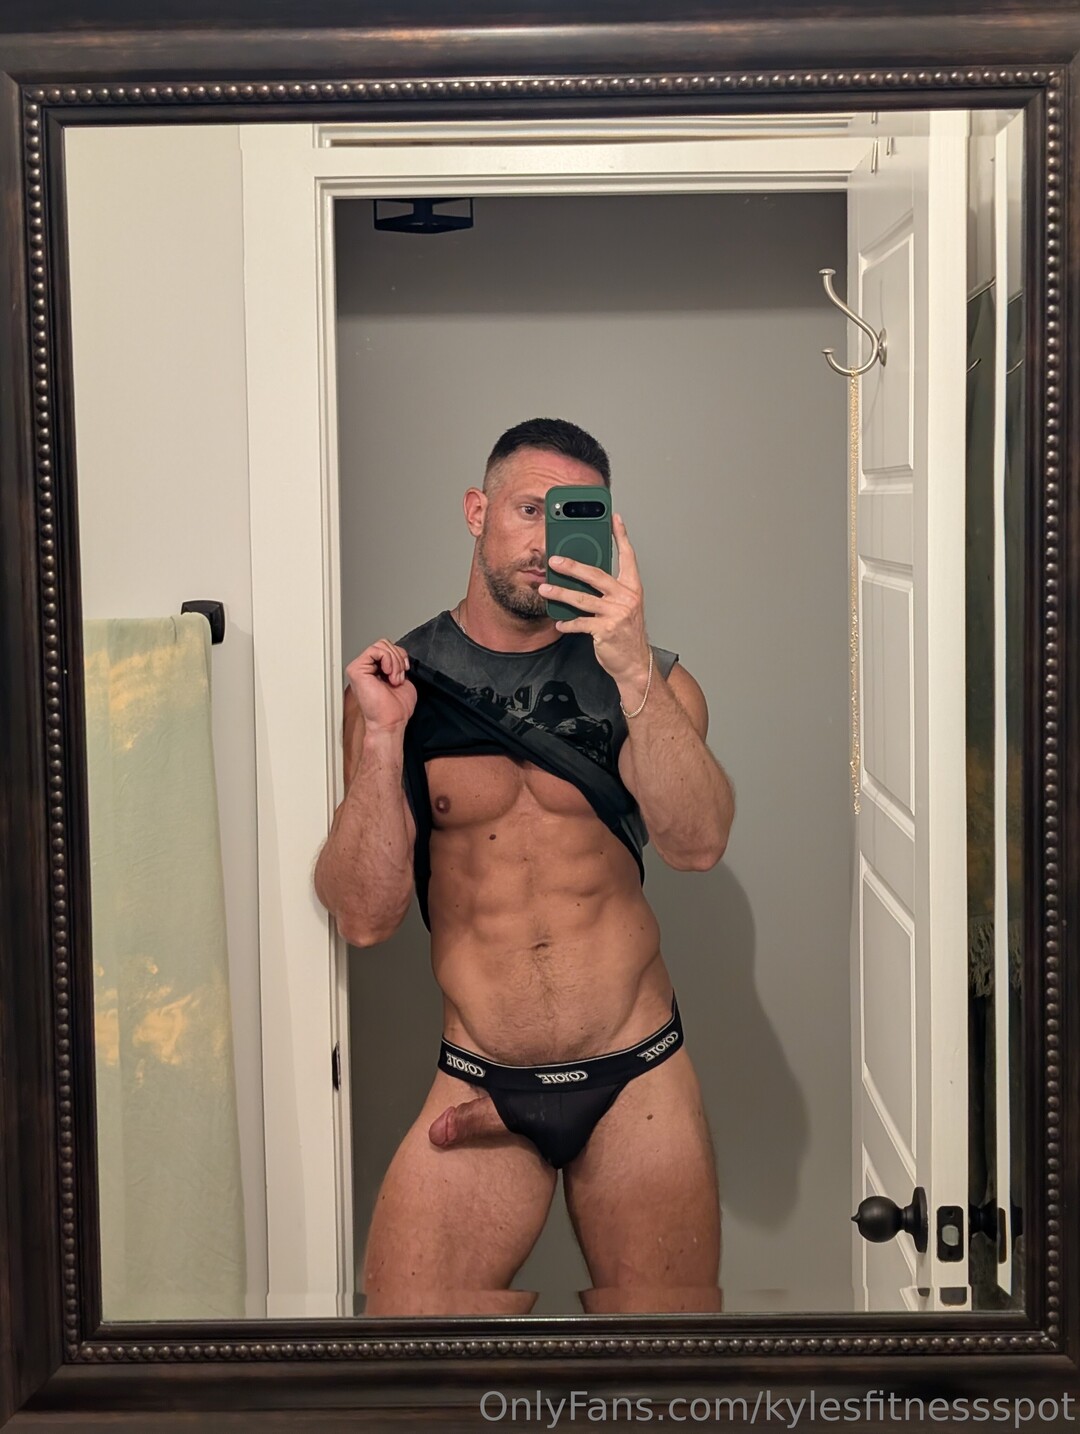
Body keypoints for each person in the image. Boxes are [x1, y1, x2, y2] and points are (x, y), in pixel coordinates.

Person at [313, 418, 735, 1316]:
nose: (547, 540)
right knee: (412, 1360)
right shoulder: (402, 686)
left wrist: (633, 672)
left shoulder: (651, 682)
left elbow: (698, 845)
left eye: (573, 515)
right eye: (528, 509)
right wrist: (382, 744)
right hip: (481, 1075)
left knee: (667, 1366)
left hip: (638, 1076)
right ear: (477, 511)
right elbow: (363, 916)